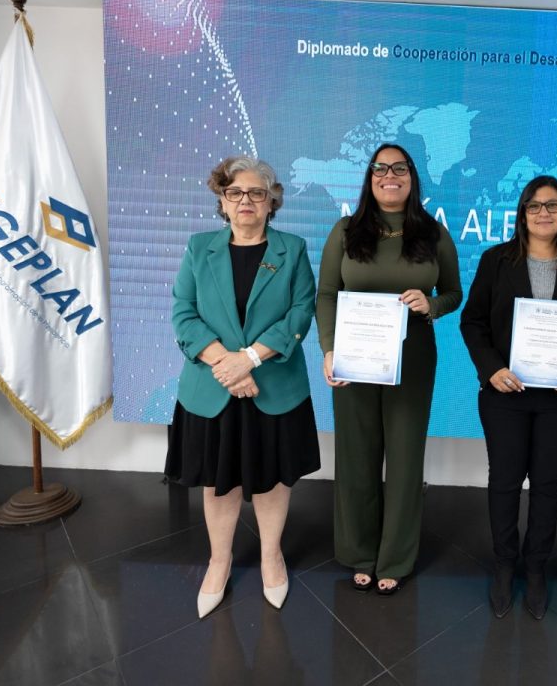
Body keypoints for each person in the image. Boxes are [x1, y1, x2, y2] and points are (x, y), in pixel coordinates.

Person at [166, 156, 320, 618]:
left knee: (272, 478)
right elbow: (183, 312)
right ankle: (219, 561)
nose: (245, 200)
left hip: (274, 386)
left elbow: (301, 312)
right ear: (222, 200)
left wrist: (249, 360)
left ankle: (272, 556)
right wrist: (227, 366)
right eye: (234, 193)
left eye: (256, 193)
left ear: (272, 201)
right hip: (212, 389)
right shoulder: (199, 248)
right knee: (218, 481)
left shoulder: (292, 249)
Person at [317, 143, 462, 595]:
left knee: (404, 458)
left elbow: (454, 293)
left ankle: (395, 557)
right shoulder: (346, 230)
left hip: (412, 356)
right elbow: (327, 294)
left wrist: (431, 305)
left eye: (399, 168)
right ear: (370, 178)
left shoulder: (433, 233)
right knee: (356, 455)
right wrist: (328, 349)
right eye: (380, 168)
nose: (389, 175)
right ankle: (359, 552)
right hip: (354, 357)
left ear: (412, 177)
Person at [460, 175, 557, 620]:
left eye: (552, 205)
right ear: (522, 213)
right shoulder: (496, 260)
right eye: (534, 206)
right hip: (506, 393)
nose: (544, 213)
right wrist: (492, 369)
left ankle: (536, 566)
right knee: (504, 482)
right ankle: (505, 564)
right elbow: (473, 322)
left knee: (547, 484)